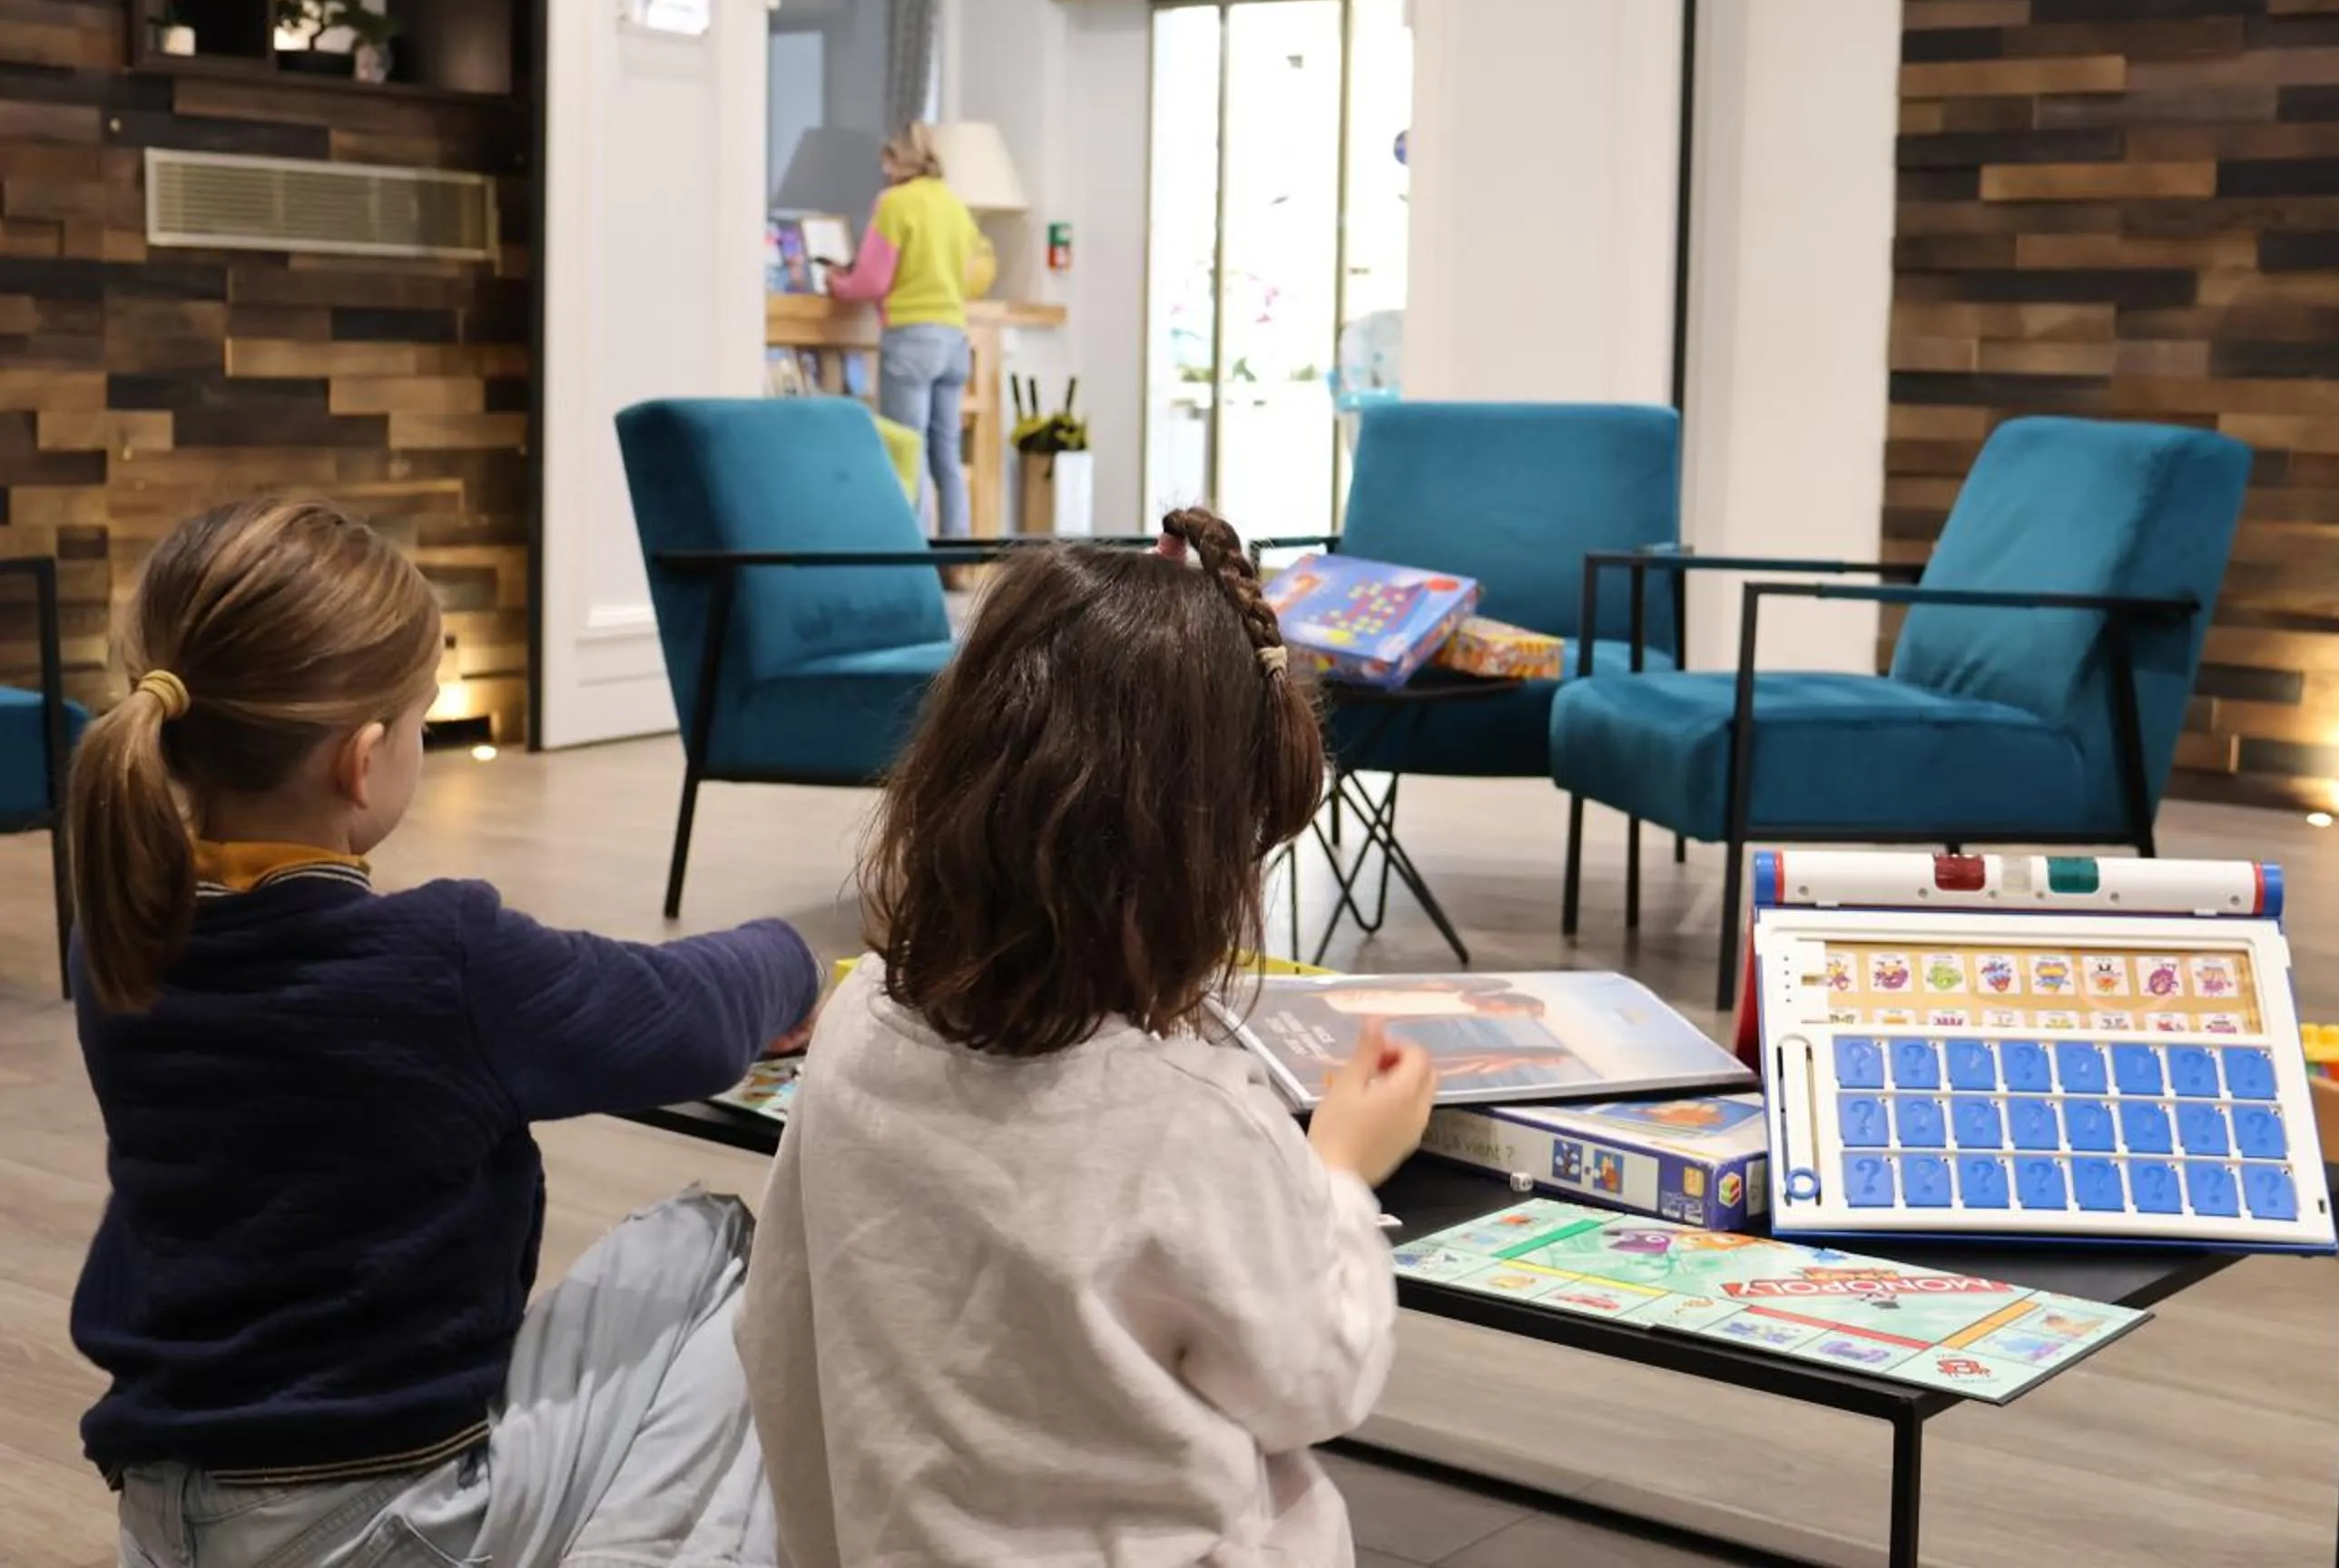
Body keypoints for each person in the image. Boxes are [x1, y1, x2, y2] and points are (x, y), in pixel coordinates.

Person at [68, 499, 823, 1568]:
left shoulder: (113, 939)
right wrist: (793, 956)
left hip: (165, 1514)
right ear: (364, 756)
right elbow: (691, 1022)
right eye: (422, 716)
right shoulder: (444, 962)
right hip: (383, 1520)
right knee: (716, 1240)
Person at [740, 507, 1437, 1568]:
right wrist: (1341, 1169)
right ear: (1199, 850)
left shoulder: (857, 1022)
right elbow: (1316, 1383)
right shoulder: (1194, 1120)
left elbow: (778, 1321)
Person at [826, 121, 998, 538]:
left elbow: (872, 281)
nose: (884, 170)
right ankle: (957, 552)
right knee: (946, 452)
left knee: (907, 446)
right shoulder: (953, 204)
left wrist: (837, 282)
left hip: (911, 337)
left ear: (898, 159)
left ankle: (913, 549)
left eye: (887, 160)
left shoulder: (895, 203)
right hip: (954, 337)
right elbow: (974, 272)